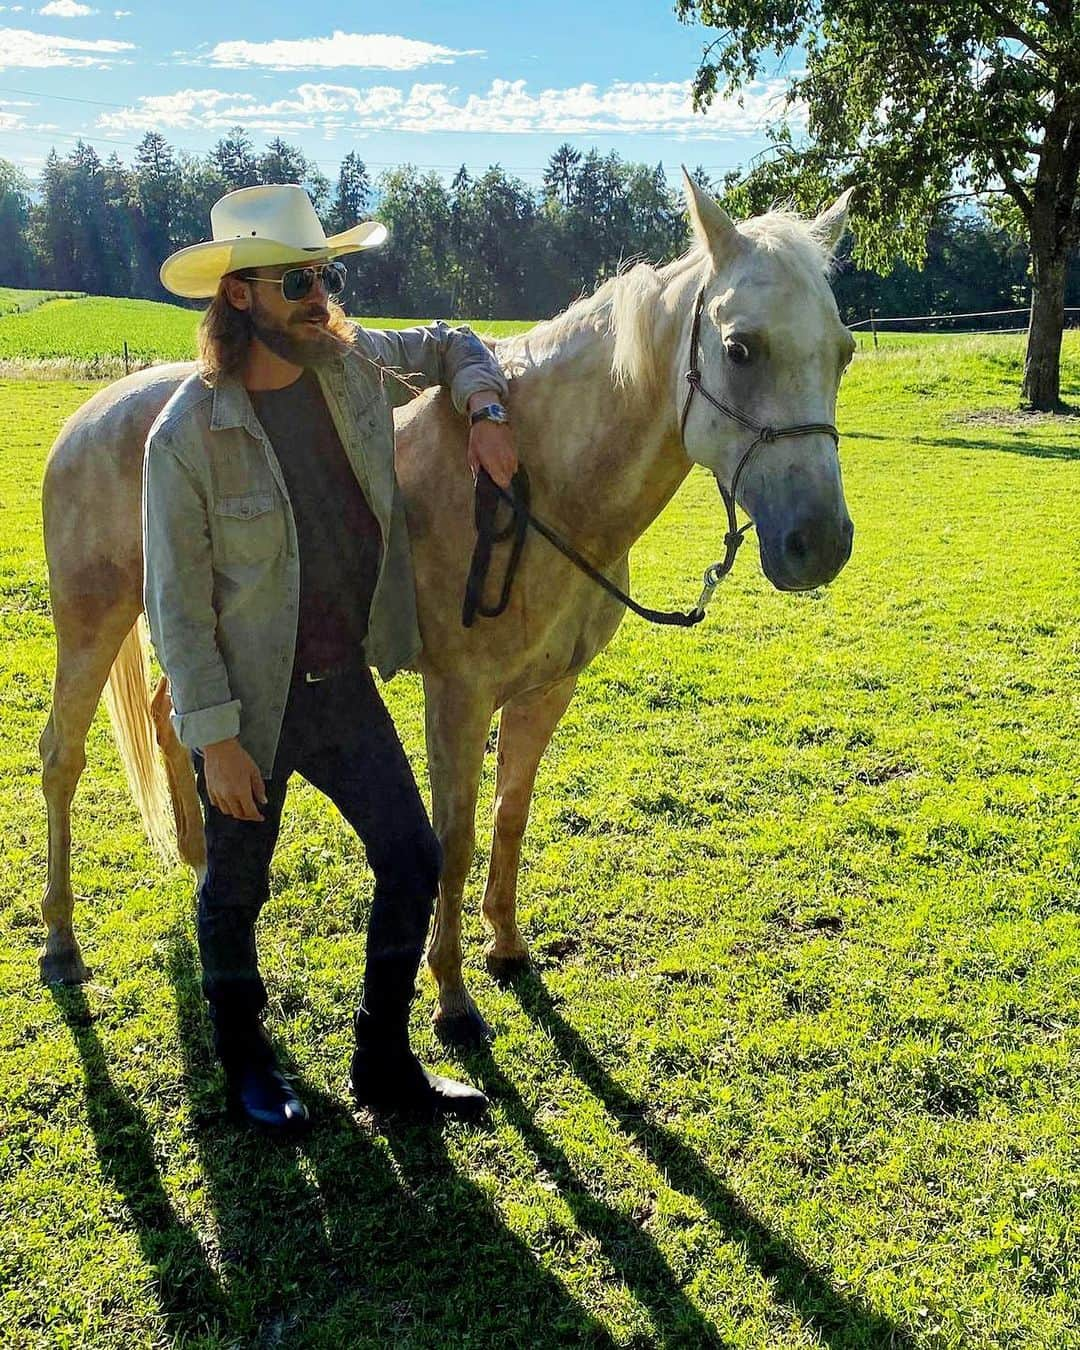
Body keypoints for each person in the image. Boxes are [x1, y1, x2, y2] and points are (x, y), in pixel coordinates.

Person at [144, 183, 516, 1134]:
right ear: (239, 298)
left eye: (327, 275)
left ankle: (383, 1063)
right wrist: (215, 740)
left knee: (412, 857)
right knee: (236, 891)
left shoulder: (349, 368)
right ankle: (247, 1068)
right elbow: (178, 610)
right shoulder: (185, 436)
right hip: (247, 706)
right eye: (299, 281)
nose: (322, 296)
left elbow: (447, 337)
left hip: (342, 685)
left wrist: (483, 407)